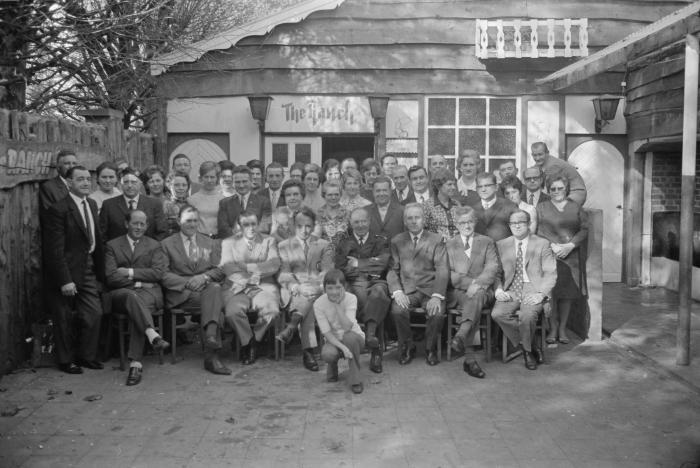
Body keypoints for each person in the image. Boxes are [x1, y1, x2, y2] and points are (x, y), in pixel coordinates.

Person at [44, 165, 104, 374]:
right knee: (63, 318)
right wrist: (64, 280)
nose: (86, 183)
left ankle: (86, 356)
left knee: (94, 313)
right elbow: (54, 250)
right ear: (69, 183)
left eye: (88, 179)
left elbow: (96, 239)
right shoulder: (58, 209)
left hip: (88, 268)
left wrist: (101, 272)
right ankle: (66, 360)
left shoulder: (93, 204)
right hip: (66, 271)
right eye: (80, 179)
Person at [161, 205, 230, 375]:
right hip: (181, 294)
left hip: (206, 290)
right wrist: (189, 282)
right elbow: (163, 274)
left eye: (195, 221)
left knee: (213, 288)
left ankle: (211, 344)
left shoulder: (210, 242)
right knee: (215, 300)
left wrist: (204, 278)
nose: (192, 224)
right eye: (188, 221)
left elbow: (220, 269)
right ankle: (212, 350)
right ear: (179, 221)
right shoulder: (166, 244)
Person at [104, 210, 169, 386]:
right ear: (127, 224)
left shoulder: (154, 245)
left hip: (149, 294)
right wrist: (140, 283)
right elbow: (111, 277)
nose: (139, 227)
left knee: (137, 310)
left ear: (147, 226)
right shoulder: (112, 245)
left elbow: (157, 273)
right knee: (132, 297)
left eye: (142, 224)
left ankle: (136, 363)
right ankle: (151, 334)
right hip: (121, 294)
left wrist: (129, 272)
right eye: (135, 223)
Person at [492, 210, 556, 370]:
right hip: (511, 288)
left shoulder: (542, 243)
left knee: (527, 316)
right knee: (497, 314)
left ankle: (527, 353)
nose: (517, 226)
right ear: (509, 226)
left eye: (521, 222)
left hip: (533, 289)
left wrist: (541, 294)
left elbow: (550, 272)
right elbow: (496, 272)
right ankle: (532, 345)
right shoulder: (501, 244)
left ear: (528, 224)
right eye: (513, 223)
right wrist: (499, 290)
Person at [387, 203, 448, 366]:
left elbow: (442, 269)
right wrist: (397, 291)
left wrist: (437, 296)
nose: (414, 221)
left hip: (430, 290)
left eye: (417, 217)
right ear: (405, 221)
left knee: (437, 312)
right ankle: (408, 346)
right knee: (398, 310)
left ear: (424, 220)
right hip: (408, 291)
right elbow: (392, 270)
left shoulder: (436, 239)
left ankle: (430, 348)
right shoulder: (397, 241)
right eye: (410, 218)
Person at [276, 208, 334, 372]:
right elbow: (284, 274)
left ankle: (294, 330)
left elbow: (327, 271)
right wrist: (297, 286)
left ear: (314, 225)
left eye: (308, 226)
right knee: (307, 301)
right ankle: (307, 351)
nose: (304, 230)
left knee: (309, 300)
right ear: (294, 225)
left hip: (318, 290)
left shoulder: (323, 245)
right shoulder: (283, 246)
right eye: (300, 226)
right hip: (294, 290)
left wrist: (314, 287)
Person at [220, 210, 280, 365]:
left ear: (259, 224)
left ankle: (256, 339)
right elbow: (228, 267)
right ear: (239, 226)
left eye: (254, 224)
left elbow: (274, 264)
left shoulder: (269, 241)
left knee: (272, 310)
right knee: (232, 312)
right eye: (246, 224)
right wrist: (248, 280)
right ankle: (249, 342)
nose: (251, 228)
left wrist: (247, 267)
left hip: (263, 287)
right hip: (237, 287)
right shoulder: (228, 243)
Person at [445, 206, 499, 379]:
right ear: (456, 224)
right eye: (462, 222)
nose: (466, 226)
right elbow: (448, 273)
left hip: (483, 291)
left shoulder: (487, 242)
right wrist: (470, 283)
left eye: (469, 221)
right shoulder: (449, 244)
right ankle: (468, 359)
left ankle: (461, 337)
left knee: (476, 297)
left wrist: (479, 283)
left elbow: (492, 267)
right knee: (472, 300)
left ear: (475, 222)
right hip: (458, 292)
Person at [335, 207, 391, 373]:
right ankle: (373, 343)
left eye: (363, 221)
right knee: (359, 297)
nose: (360, 225)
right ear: (351, 224)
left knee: (379, 293)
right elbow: (341, 268)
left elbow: (382, 264)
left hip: (376, 282)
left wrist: (358, 263)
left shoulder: (381, 241)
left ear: (369, 221)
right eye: (356, 222)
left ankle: (370, 335)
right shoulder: (343, 243)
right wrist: (369, 266)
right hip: (353, 285)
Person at [536, 175, 588, 345]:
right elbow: (538, 231)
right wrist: (553, 246)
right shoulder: (542, 207)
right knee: (552, 294)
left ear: (566, 189)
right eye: (553, 189)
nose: (556, 192)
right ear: (548, 190)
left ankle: (562, 329)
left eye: (560, 188)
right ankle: (552, 327)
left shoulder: (576, 207)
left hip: (570, 256)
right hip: (550, 255)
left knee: (567, 295)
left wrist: (571, 245)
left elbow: (584, 229)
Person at [314, 269, 365, 394]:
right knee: (328, 354)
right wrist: (343, 348)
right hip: (334, 340)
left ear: (344, 287)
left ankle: (355, 380)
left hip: (354, 338)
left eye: (338, 287)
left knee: (349, 338)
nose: (334, 292)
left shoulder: (351, 298)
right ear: (324, 288)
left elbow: (348, 327)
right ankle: (333, 365)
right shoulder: (318, 304)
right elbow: (326, 333)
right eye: (330, 288)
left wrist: (337, 305)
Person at [100, 168, 167, 241]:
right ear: (120, 184)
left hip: (148, 250)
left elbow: (162, 232)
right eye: (126, 182)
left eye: (133, 182)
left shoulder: (154, 204)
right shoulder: (108, 205)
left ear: (140, 184)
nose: (129, 185)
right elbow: (102, 234)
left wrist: (151, 249)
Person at [217, 165, 272, 238]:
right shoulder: (224, 203)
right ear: (233, 183)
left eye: (244, 181)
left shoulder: (264, 202)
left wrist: (249, 238)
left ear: (251, 181)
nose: (241, 185)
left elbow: (265, 227)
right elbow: (223, 228)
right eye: (237, 182)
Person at [531, 142, 587, 206]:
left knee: (557, 209)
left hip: (577, 192)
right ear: (532, 155)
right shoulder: (538, 165)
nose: (537, 158)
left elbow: (554, 188)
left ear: (547, 153)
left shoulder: (553, 165)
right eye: (535, 155)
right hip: (563, 193)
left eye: (540, 154)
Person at [471, 172, 519, 242]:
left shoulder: (510, 206)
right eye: (480, 186)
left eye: (487, 186)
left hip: (503, 250)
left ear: (496, 187)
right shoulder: (472, 209)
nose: (483, 189)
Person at [423, 168, 462, 241]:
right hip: (435, 248)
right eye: (449, 184)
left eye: (454, 184)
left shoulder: (457, 204)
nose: (453, 187)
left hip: (456, 247)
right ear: (439, 186)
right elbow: (421, 232)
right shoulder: (427, 206)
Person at [188, 161, 225, 238]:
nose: (209, 180)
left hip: (218, 239)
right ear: (201, 178)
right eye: (206, 177)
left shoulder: (223, 199)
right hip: (199, 239)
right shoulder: (191, 200)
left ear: (217, 179)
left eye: (212, 177)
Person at [39, 149, 77, 216]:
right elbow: (49, 216)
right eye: (67, 163)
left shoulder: (80, 185)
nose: (71, 167)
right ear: (59, 167)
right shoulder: (49, 188)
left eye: (74, 163)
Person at [314, 180, 349, 249]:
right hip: (323, 253)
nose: (333, 198)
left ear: (340, 195)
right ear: (324, 195)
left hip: (343, 254)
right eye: (330, 195)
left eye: (336, 194)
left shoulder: (348, 213)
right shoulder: (317, 214)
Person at [367, 176, 404, 241]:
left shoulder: (402, 211)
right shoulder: (365, 211)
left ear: (391, 191)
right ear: (373, 192)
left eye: (384, 190)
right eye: (378, 191)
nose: (381, 194)